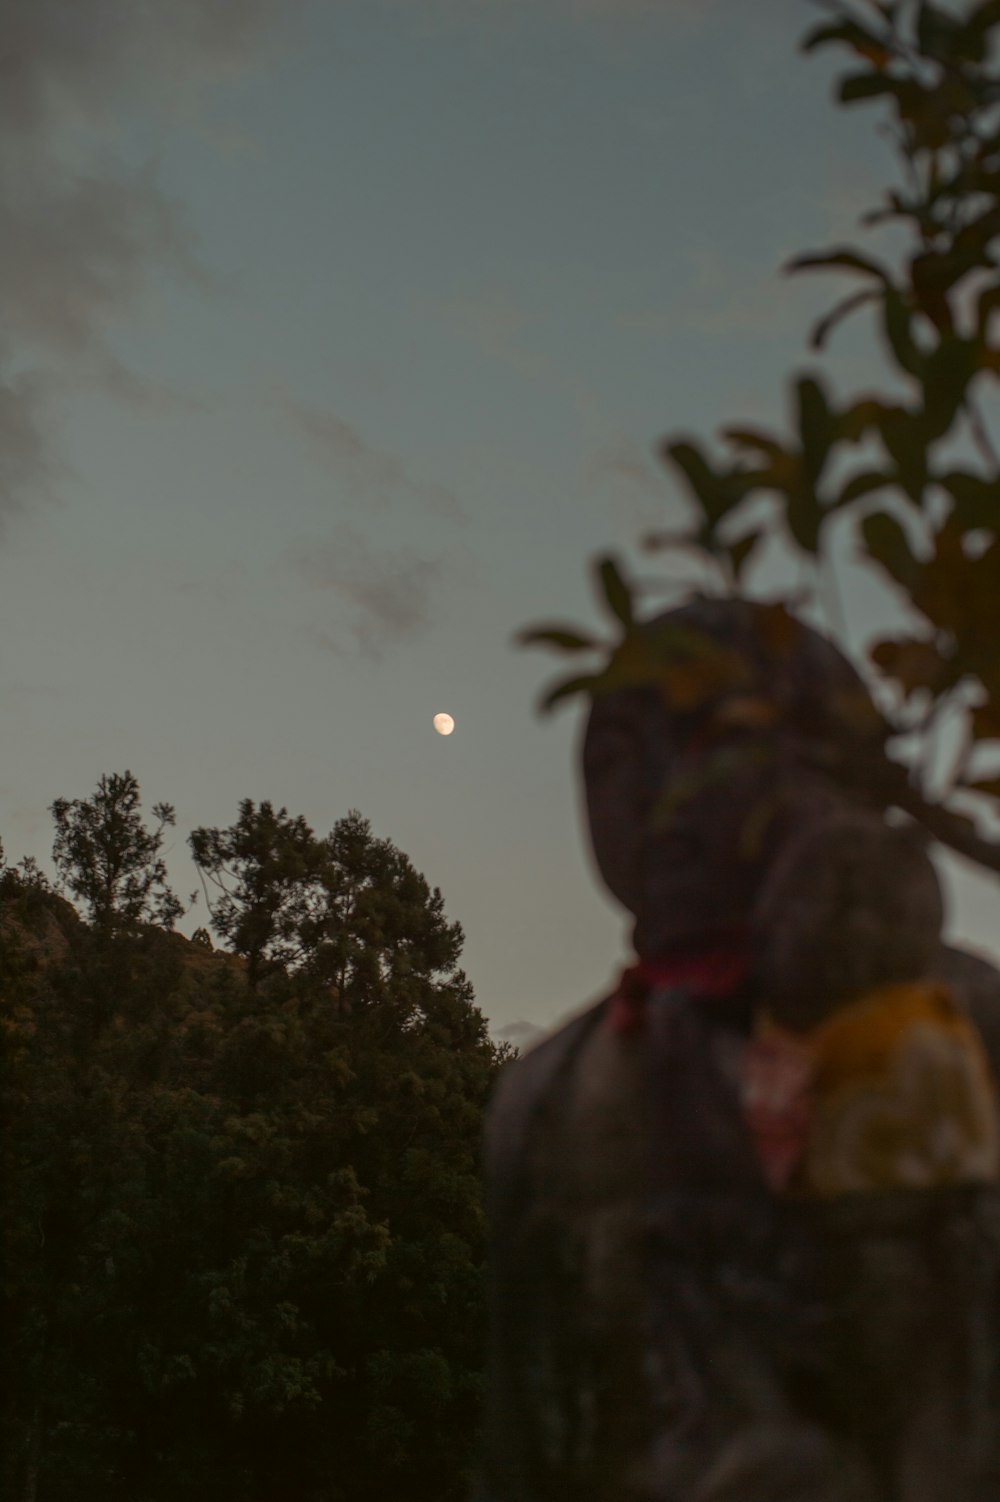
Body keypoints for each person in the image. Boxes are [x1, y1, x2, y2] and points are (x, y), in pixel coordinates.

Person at [478, 596, 1000, 1502]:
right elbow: (531, 1436)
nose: (655, 802)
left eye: (708, 747)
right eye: (613, 761)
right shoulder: (550, 1098)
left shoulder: (975, 1030)